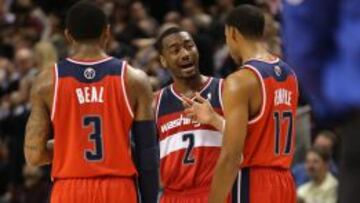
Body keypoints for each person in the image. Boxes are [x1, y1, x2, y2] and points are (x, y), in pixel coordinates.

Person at [23, 1, 159, 203]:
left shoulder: (47, 82)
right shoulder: (134, 79)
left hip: (69, 189)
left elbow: (33, 155)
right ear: (107, 32)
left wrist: (70, 145)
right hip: (119, 189)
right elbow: (147, 153)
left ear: (68, 36)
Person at [184, 5, 299, 203]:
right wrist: (214, 119)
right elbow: (261, 134)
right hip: (285, 183)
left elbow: (231, 157)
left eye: (227, 38)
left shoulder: (240, 81)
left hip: (253, 184)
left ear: (233, 33)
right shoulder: (289, 75)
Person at [154, 27, 229, 203]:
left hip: (216, 192)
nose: (185, 54)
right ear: (163, 61)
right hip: (173, 196)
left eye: (189, 46)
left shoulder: (224, 90)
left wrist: (214, 119)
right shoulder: (155, 103)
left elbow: (246, 142)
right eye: (175, 50)